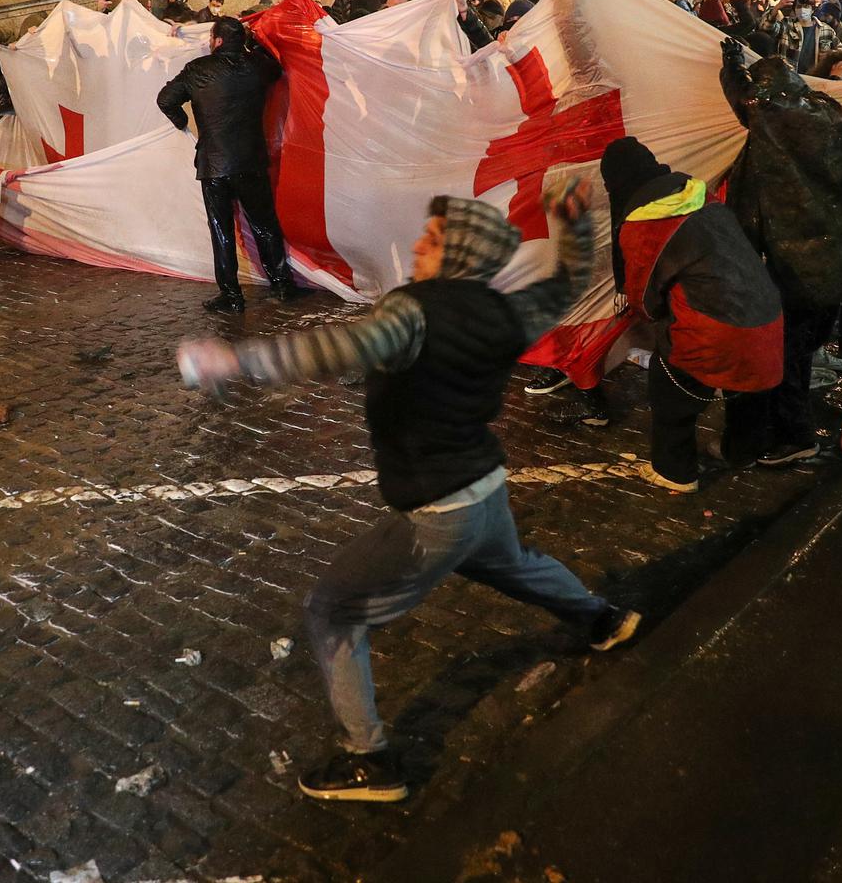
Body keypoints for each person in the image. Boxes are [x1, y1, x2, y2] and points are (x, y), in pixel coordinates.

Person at [174, 181, 640, 802]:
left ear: (459, 254)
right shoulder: (505, 311)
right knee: (514, 564)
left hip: (437, 510)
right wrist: (573, 226)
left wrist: (237, 364)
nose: (420, 242)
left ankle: (369, 760)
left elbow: (342, 347)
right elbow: (566, 283)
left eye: (434, 236)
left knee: (332, 610)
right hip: (483, 489)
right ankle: (603, 618)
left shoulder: (412, 309)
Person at [600, 137, 784, 492]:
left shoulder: (644, 226)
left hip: (717, 331)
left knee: (669, 382)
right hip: (768, 318)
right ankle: (741, 449)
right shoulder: (701, 197)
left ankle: (675, 471)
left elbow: (644, 300)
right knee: (745, 388)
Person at [721, 37, 842, 466]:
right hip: (835, 256)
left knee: (788, 353)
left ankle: (795, 434)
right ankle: (787, 426)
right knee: (801, 347)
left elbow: (743, 100)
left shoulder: (777, 116)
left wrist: (730, 65)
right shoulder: (825, 111)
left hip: (798, 266)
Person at [156, 16, 298, 311]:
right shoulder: (256, 67)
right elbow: (275, 66)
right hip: (250, 160)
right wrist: (256, 41)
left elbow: (165, 98)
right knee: (264, 224)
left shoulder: (198, 70)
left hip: (213, 164)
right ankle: (281, 284)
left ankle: (231, 296)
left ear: (217, 41)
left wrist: (183, 123)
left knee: (221, 230)